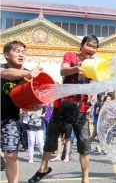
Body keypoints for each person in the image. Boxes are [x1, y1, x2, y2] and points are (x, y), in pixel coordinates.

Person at [28, 35, 99, 183]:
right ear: (81, 45)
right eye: (89, 45)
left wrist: (94, 93)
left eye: (94, 47)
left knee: (84, 144)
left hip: (82, 108)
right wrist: (77, 68)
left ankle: (85, 179)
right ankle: (43, 169)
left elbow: (96, 82)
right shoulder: (70, 56)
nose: (91, 49)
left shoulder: (95, 64)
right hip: (63, 105)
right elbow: (63, 71)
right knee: (51, 137)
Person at [1, 40, 42, 183]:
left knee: (11, 155)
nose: (21, 54)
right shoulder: (3, 68)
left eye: (23, 52)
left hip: (10, 119)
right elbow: (6, 73)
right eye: (17, 51)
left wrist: (36, 105)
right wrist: (27, 73)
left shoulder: (28, 75)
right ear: (6, 55)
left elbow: (33, 101)